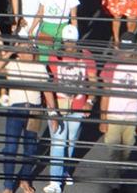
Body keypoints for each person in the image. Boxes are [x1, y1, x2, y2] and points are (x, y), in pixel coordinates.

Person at [0, 37, 48, 193]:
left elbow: (47, 90)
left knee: (31, 149)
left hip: (35, 110)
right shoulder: (13, 64)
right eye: (25, 49)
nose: (29, 52)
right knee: (11, 147)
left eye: (31, 49)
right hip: (16, 110)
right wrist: (10, 51)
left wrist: (53, 110)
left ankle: (25, 179)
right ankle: (8, 186)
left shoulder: (40, 67)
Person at [43, 25, 95, 193]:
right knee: (58, 142)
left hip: (78, 106)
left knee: (71, 142)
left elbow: (94, 80)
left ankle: (64, 170)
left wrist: (91, 101)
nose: (70, 45)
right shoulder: (54, 56)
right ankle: (55, 182)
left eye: (72, 41)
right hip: (59, 105)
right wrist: (52, 110)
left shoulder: (86, 56)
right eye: (67, 41)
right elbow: (47, 82)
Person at [98, 35, 137, 174]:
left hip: (132, 116)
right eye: (124, 49)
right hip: (113, 115)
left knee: (127, 149)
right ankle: (114, 181)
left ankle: (119, 174)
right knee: (113, 151)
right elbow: (106, 94)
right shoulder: (111, 65)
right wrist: (103, 119)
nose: (126, 53)